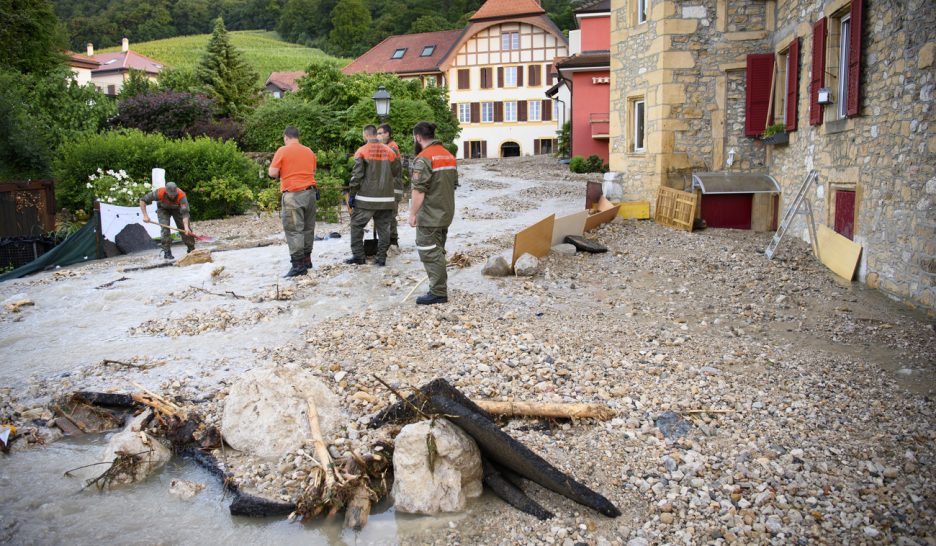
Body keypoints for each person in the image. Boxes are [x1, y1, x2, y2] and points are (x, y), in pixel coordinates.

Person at [408, 121, 457, 305]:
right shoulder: (448, 156)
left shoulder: (423, 158)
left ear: (418, 137)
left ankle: (438, 292)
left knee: (428, 251)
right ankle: (438, 287)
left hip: (430, 215)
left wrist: (413, 213)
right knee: (438, 250)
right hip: (446, 213)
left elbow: (419, 190)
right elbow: (452, 185)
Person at [345, 125, 401, 266]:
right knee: (384, 229)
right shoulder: (390, 151)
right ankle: (381, 258)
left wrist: (352, 194)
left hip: (366, 199)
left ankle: (359, 257)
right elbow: (395, 172)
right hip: (387, 199)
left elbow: (357, 176)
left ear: (365, 135)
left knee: (357, 225)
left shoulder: (362, 151)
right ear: (376, 134)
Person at [269, 125, 318, 278]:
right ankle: (307, 260)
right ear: (298, 137)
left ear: (286, 137)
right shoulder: (309, 151)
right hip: (310, 193)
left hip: (293, 194)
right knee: (308, 228)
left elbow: (273, 173)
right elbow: (313, 170)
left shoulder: (282, 150)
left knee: (294, 229)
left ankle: (298, 266)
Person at [139, 181, 195, 260]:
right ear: (166, 191)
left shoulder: (181, 195)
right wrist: (145, 215)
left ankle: (191, 249)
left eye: (174, 194)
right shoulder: (160, 192)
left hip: (177, 209)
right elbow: (142, 200)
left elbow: (185, 213)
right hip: (163, 209)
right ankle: (167, 252)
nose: (172, 196)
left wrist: (186, 227)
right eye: (170, 195)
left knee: (185, 229)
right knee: (165, 229)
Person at [376, 123, 404, 247]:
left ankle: (393, 241)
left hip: (393, 187)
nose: (378, 136)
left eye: (380, 133)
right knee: (386, 215)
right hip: (388, 187)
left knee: (390, 215)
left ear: (387, 134)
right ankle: (388, 241)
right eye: (377, 133)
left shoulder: (391, 147)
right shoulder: (387, 146)